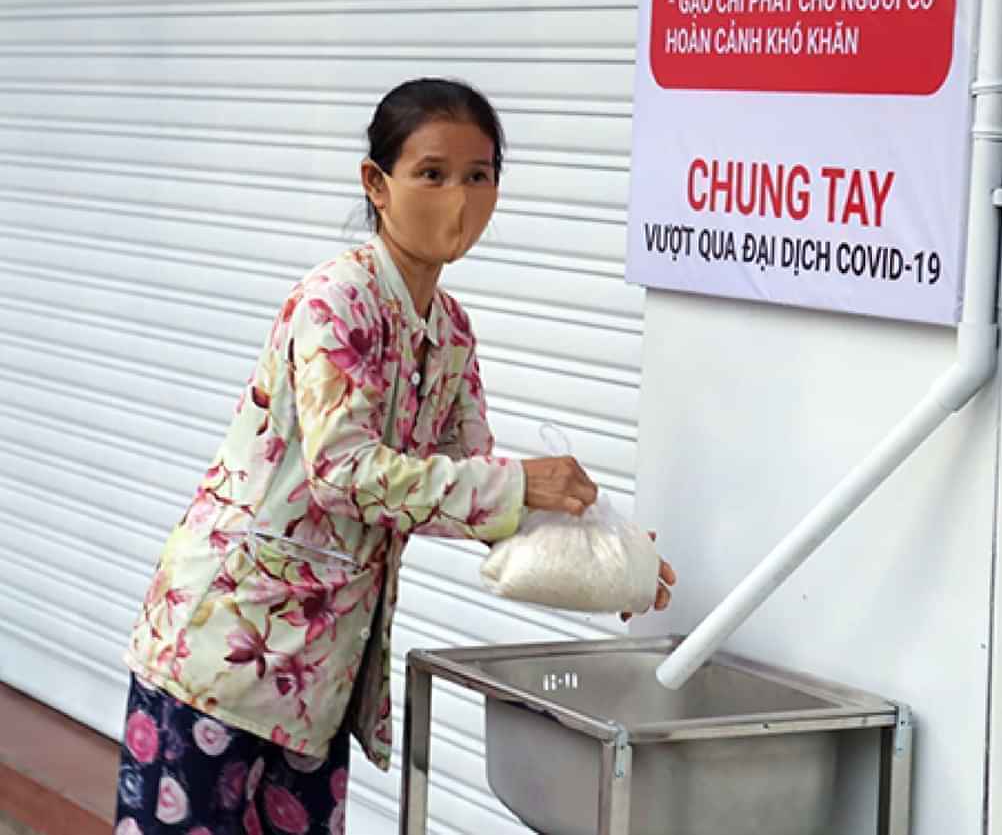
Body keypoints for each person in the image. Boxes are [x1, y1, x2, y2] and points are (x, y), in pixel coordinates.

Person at [113, 78, 675, 835]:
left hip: (320, 678)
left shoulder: (449, 332)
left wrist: (612, 566)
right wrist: (517, 484)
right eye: (432, 173)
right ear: (377, 184)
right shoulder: (335, 303)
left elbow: (474, 490)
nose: (459, 199)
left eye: (479, 176)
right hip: (222, 646)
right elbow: (345, 472)